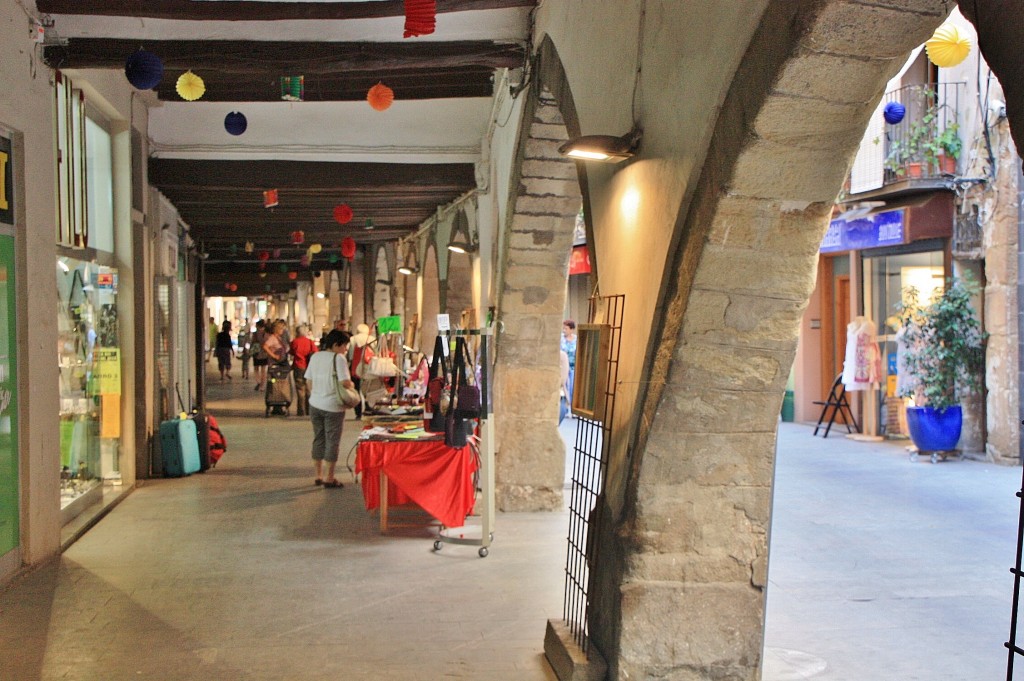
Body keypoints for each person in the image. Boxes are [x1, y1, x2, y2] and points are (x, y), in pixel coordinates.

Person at [304, 329, 354, 488]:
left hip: (315, 404)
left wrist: (317, 395)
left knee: (318, 438)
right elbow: (345, 382)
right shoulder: (338, 358)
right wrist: (352, 386)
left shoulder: (315, 356)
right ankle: (329, 477)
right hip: (333, 406)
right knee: (332, 441)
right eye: (344, 345)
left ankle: (318, 475)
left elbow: (308, 381)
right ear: (335, 344)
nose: (345, 349)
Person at [290, 324, 318, 417]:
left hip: (298, 366)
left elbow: (291, 352)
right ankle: (309, 410)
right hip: (309, 367)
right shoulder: (310, 342)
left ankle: (301, 411)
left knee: (300, 389)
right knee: (308, 389)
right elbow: (316, 352)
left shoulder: (295, 341)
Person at [349, 323, 375, 419]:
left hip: (356, 366)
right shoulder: (371, 339)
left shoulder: (353, 339)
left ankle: (358, 412)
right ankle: (368, 407)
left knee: (356, 389)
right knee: (368, 388)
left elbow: (350, 354)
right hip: (369, 366)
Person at [561, 319, 577, 412]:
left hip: (574, 366)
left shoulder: (576, 339)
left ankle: (573, 408)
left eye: (566, 328)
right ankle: (566, 407)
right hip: (564, 366)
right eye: (563, 328)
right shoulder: (561, 339)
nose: (564, 330)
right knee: (565, 386)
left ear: (571, 329)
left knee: (573, 387)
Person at [252, 319, 269, 391]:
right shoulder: (267, 334)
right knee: (263, 370)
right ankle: (262, 385)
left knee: (256, 368)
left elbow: (252, 342)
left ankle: (258, 381)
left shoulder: (255, 334)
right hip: (265, 353)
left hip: (256, 352)